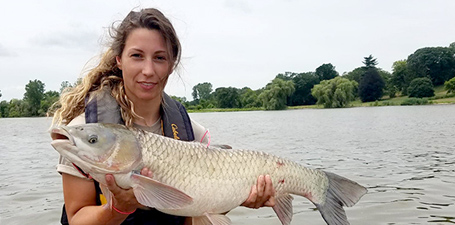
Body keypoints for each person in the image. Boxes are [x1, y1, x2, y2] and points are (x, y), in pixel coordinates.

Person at [52, 8, 275, 225]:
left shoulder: (193, 133)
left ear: (171, 64)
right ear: (119, 59)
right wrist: (119, 208)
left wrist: (235, 198)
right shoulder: (85, 132)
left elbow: (192, 217)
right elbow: (76, 218)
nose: (148, 70)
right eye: (137, 56)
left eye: (159, 58)